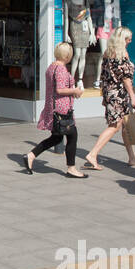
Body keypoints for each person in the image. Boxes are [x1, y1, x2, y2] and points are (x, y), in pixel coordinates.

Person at [81, 27, 135, 170]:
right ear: (122, 40)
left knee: (125, 125)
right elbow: (126, 79)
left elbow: (104, 77)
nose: (130, 41)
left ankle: (132, 157)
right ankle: (92, 154)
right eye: (128, 38)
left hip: (110, 93)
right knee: (115, 126)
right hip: (119, 95)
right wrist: (133, 97)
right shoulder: (121, 54)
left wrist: (104, 95)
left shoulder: (107, 53)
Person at [26, 42, 87, 178]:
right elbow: (59, 89)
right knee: (72, 135)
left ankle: (31, 155)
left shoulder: (51, 67)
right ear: (67, 55)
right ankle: (71, 168)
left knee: (56, 138)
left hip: (53, 107)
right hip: (61, 108)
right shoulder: (60, 69)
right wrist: (75, 90)